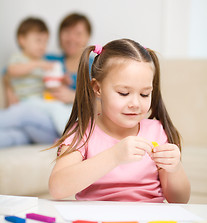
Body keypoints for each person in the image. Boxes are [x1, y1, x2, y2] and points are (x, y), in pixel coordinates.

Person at [49, 39, 191, 203]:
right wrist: (114, 156)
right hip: (98, 222)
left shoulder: (157, 132)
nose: (135, 104)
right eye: (124, 93)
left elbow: (180, 201)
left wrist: (175, 168)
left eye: (145, 94)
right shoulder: (82, 132)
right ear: (97, 89)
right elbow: (57, 188)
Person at [0, 17, 59, 147]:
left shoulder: (44, 62)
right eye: (38, 41)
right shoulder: (20, 58)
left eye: (45, 42)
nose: (43, 46)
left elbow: (49, 85)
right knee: (13, 137)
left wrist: (60, 79)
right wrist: (37, 64)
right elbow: (11, 71)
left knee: (54, 108)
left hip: (38, 110)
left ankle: (66, 133)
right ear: (22, 40)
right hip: (28, 116)